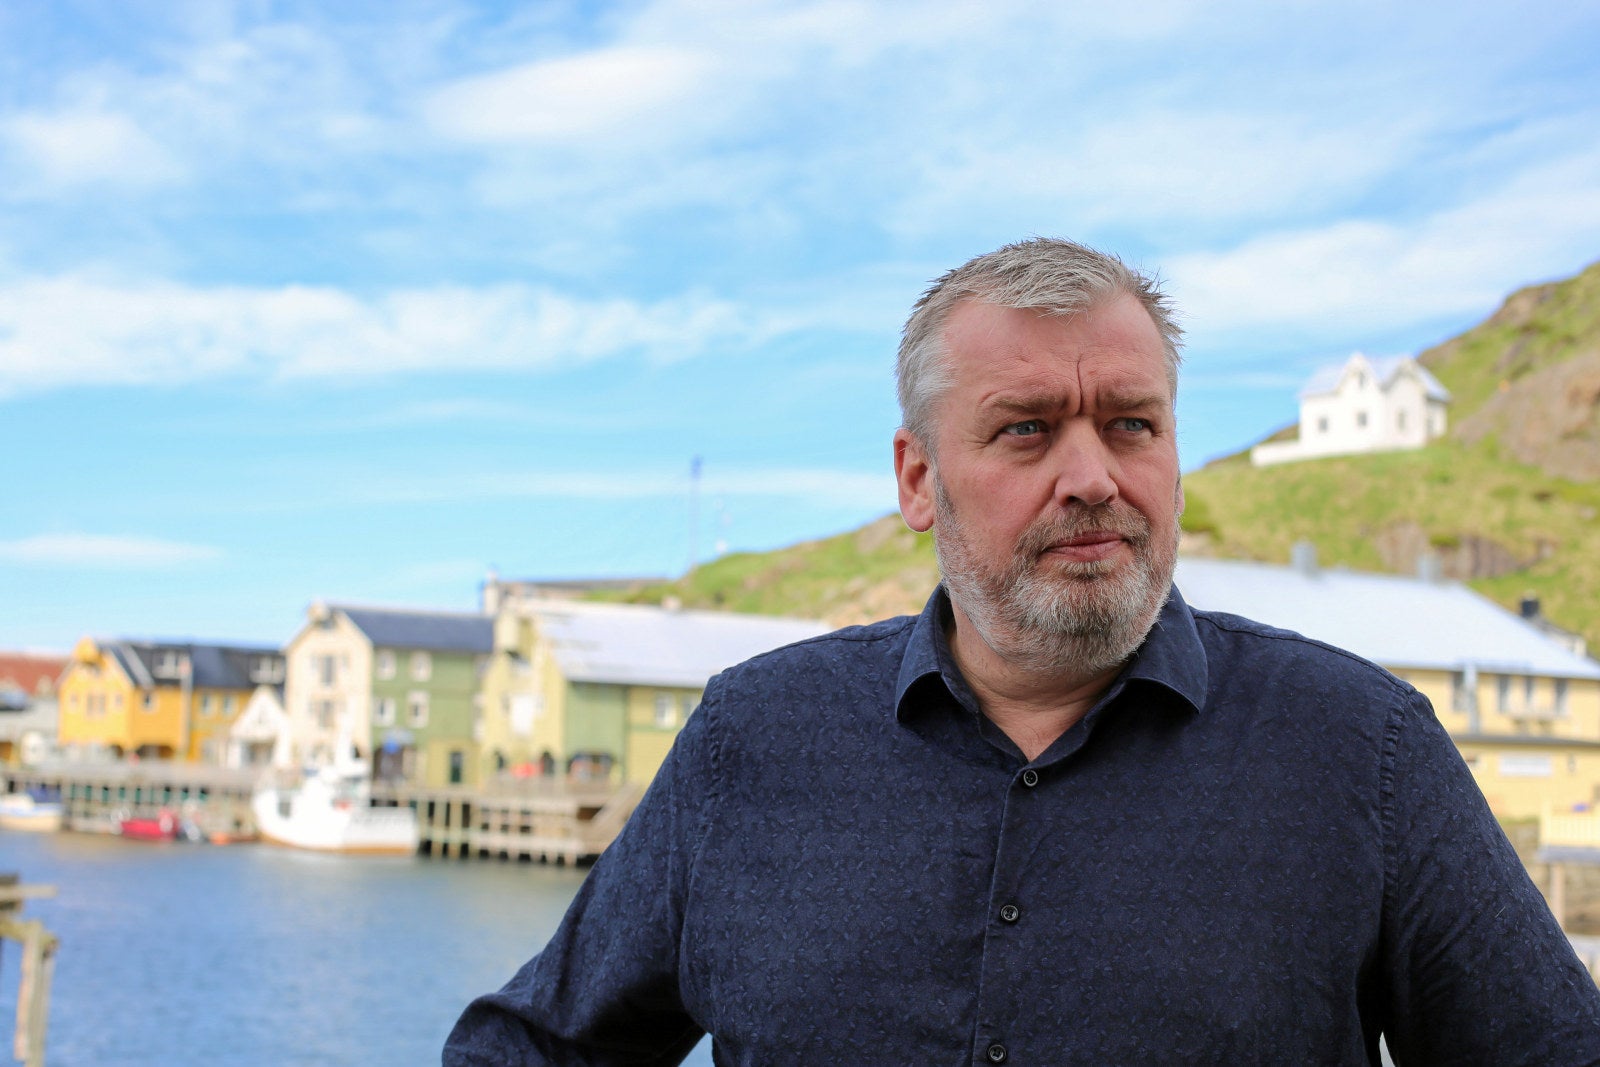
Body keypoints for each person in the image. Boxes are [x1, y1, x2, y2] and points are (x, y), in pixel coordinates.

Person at [445, 239, 1600, 1065]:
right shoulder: (750, 739)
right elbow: (534, 1043)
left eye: (1131, 423)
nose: (1091, 476)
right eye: (1026, 429)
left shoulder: (1362, 750)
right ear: (917, 479)